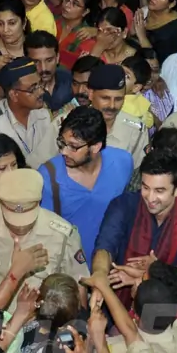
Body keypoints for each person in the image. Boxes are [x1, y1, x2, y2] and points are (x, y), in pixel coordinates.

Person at [0, 168, 89, 307]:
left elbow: (79, 283)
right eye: (12, 219)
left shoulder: (62, 235)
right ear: (0, 201)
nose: (20, 227)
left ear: (38, 202)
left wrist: (80, 324)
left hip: (39, 320)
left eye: (26, 219)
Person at [91, 149, 177, 305]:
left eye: (159, 191)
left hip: (166, 310)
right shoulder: (123, 205)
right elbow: (105, 246)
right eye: (145, 188)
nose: (150, 198)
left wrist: (157, 270)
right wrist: (100, 275)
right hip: (116, 300)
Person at [39, 106, 134, 268]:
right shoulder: (48, 176)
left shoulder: (123, 162)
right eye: (62, 143)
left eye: (73, 146)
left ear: (96, 147)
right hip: (69, 270)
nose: (64, 151)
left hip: (111, 267)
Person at [47, 64, 148, 169]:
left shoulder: (136, 130)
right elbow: (40, 167)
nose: (112, 106)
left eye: (118, 99)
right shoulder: (63, 124)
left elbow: (138, 176)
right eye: (105, 98)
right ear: (90, 94)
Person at [0, 58, 56, 169]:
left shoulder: (44, 114)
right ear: (13, 95)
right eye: (33, 89)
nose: (41, 92)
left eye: (40, 85)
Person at [131, 0, 177, 65]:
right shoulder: (145, 12)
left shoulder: (174, 30)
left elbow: (158, 64)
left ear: (172, 3)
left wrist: (142, 36)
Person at [25, 31, 74, 113]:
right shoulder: (20, 91)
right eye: (36, 62)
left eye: (49, 60)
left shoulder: (70, 80)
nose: (43, 68)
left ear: (57, 58)